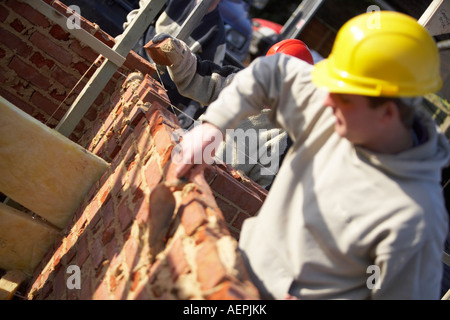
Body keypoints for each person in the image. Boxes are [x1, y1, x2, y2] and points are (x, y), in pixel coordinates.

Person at [173, 11, 450, 299]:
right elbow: (270, 73)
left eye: (341, 94)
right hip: (240, 266)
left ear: (387, 114)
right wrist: (212, 127)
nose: (325, 99)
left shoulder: (414, 216)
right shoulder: (341, 106)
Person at [150, 34, 314, 188]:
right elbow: (198, 77)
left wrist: (228, 187)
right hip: (180, 155)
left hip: (208, 191)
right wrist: (177, 53)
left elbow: (259, 189)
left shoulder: (283, 135)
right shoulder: (240, 81)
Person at [122, 0, 226, 110]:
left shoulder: (216, 32)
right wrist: (124, 44)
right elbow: (140, 16)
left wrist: (190, 109)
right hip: (135, 61)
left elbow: (208, 82)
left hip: (160, 89)